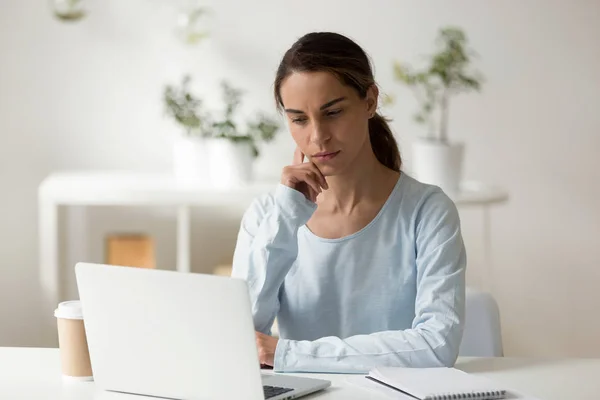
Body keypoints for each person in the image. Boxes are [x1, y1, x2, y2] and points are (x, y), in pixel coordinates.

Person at [231, 32, 466, 374]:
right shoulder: (267, 215)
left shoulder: (428, 212)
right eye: (299, 119)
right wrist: (286, 216)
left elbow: (437, 343)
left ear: (370, 101)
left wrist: (289, 354)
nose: (317, 136)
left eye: (333, 112)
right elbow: (243, 335)